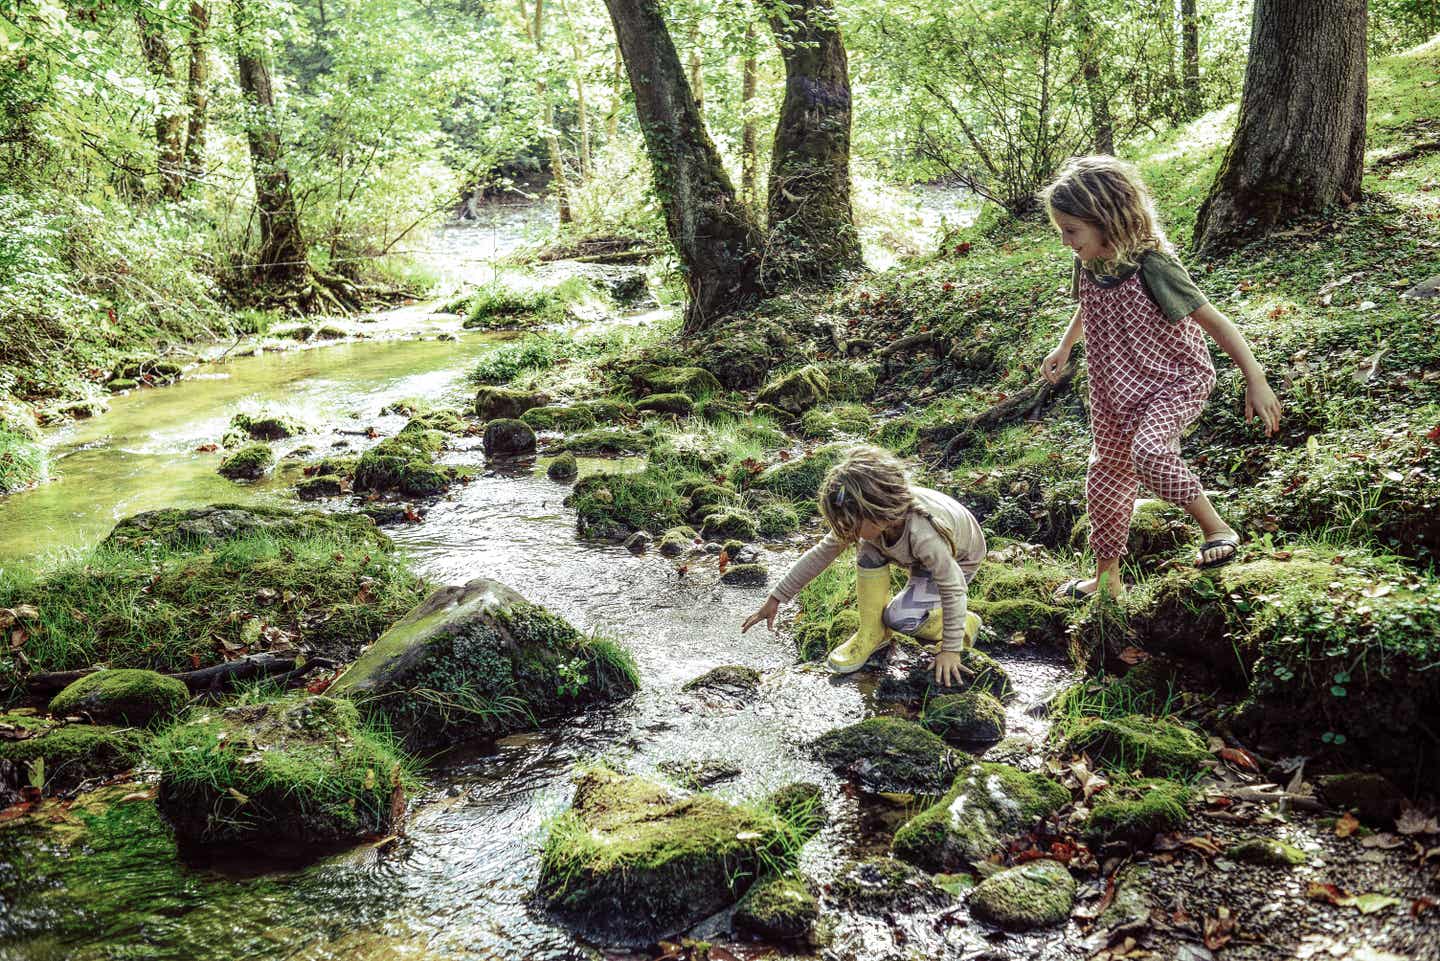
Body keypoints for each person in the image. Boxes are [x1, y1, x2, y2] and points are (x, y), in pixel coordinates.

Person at [1038, 155, 1283, 600]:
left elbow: (1217, 323)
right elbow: (1086, 306)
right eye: (1062, 231)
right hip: (1114, 387)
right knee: (1105, 475)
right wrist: (1066, 344)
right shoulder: (1090, 261)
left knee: (1149, 452)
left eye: (1071, 230)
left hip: (1174, 379)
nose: (1065, 241)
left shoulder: (1154, 266)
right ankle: (1106, 577)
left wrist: (1255, 379)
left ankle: (1216, 528)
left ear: (1105, 219)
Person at [741, 445, 986, 687]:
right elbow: (820, 555)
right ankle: (872, 632)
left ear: (877, 513)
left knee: (899, 618)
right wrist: (776, 598)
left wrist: (951, 650)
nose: (847, 533)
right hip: (917, 554)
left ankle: (964, 623)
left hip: (959, 559)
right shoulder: (872, 520)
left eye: (851, 526)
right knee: (867, 548)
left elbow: (952, 587)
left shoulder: (924, 535)